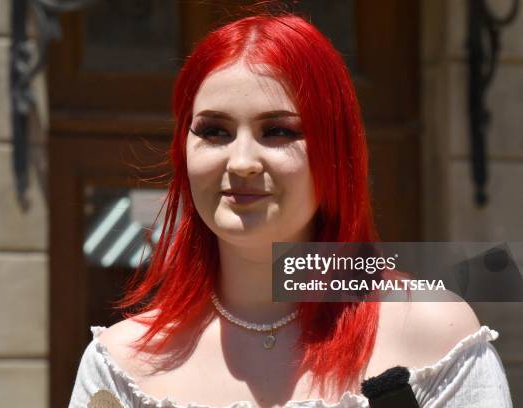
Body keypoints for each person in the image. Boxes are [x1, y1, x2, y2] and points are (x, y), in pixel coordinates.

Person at [69, 11, 513, 408]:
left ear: (335, 155)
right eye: (215, 131)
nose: (241, 161)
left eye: (278, 131)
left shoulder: (433, 333)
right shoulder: (123, 365)